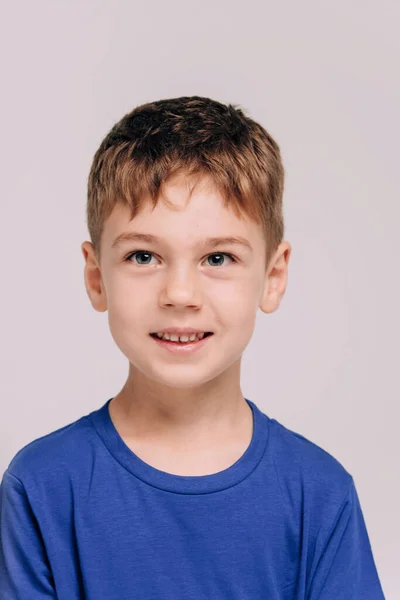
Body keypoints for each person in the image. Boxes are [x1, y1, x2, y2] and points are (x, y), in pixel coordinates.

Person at [0, 96, 386, 599]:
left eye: (218, 258)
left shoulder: (320, 495)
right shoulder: (42, 487)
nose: (180, 294)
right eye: (144, 255)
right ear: (97, 277)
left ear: (273, 276)